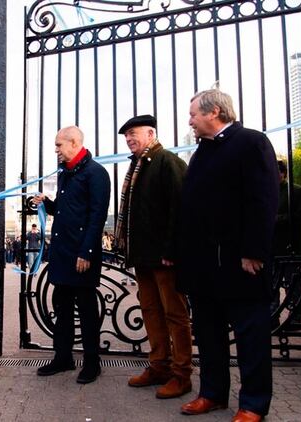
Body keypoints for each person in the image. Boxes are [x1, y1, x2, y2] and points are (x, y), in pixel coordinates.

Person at [177, 89, 278, 422]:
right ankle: (212, 393)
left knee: (251, 336)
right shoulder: (202, 152)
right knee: (208, 334)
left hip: (240, 261)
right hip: (205, 265)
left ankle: (253, 403)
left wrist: (254, 250)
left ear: (214, 112)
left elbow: (262, 200)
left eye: (193, 114)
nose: (189, 120)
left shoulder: (251, 142)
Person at [113, 114, 193, 399]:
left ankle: (182, 374)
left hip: (164, 257)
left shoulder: (167, 162)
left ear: (150, 133)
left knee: (175, 314)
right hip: (144, 256)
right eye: (126, 136)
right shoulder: (138, 166)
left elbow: (181, 210)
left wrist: (172, 250)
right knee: (151, 312)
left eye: (134, 133)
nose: (129, 139)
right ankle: (159, 366)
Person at [32, 126, 110, 384]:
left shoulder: (96, 173)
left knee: (87, 310)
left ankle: (92, 363)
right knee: (61, 308)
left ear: (74, 143)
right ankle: (63, 357)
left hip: (81, 255)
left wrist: (86, 252)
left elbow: (96, 217)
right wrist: (47, 202)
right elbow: (67, 211)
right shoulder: (67, 173)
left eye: (59, 145)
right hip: (63, 253)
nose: (56, 150)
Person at [271, 159, 301, 326]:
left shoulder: (297, 191)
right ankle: (273, 316)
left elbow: (300, 216)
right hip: (270, 246)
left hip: (289, 245)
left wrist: (275, 220)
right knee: (272, 284)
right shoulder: (266, 192)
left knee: (292, 282)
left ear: (283, 173)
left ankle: (295, 316)